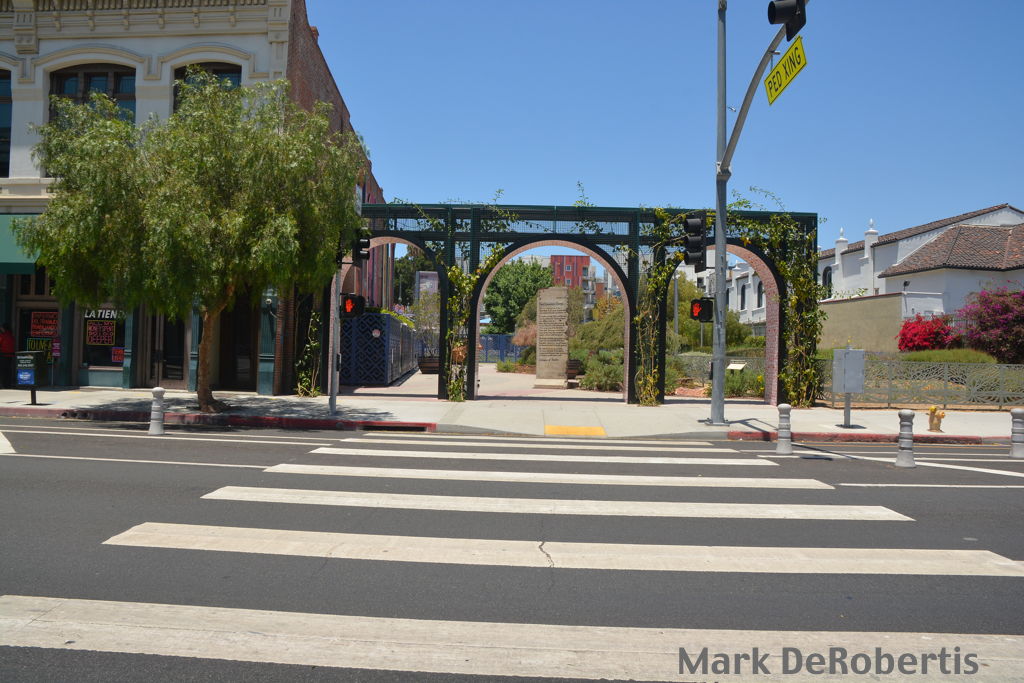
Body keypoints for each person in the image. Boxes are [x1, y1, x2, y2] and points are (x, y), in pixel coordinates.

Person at [0, 323, 14, 389]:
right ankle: (8, 385)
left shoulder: (2, 336)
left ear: (4, 328)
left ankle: (2, 385)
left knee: (2, 371)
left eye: (1, 328)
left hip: (3, 355)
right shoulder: (11, 336)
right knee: (8, 371)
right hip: (9, 356)